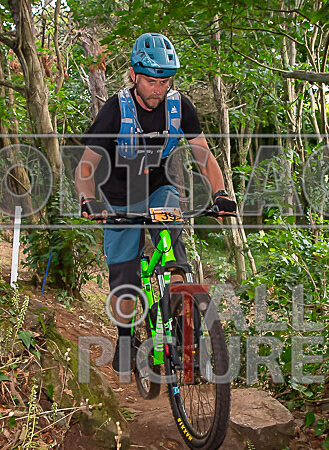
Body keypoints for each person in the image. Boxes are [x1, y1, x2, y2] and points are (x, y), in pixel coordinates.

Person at [75, 32, 236, 375]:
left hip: (160, 188)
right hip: (117, 197)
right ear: (133, 76)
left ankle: (178, 323)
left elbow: (205, 157)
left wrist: (220, 193)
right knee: (123, 279)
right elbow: (85, 166)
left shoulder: (180, 107)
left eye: (164, 81)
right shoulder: (115, 110)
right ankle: (124, 334)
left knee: (173, 252)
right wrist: (88, 200)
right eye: (150, 81)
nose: (157, 90)